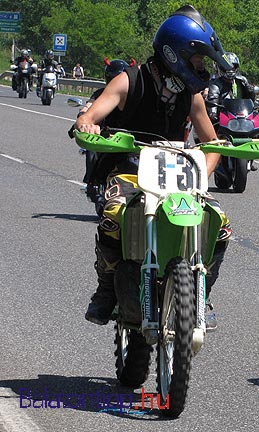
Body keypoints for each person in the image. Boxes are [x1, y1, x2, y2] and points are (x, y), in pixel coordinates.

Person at [74, 5, 233, 330]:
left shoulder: (192, 96)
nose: (201, 68)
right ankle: (106, 289)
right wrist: (88, 124)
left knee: (221, 225)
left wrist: (204, 169)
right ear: (175, 54)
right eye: (198, 60)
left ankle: (201, 292)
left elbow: (212, 141)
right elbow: (90, 116)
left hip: (177, 177)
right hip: (129, 172)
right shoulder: (128, 80)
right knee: (112, 216)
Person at [75, 57, 137, 209]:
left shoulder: (135, 97)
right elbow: (89, 107)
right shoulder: (102, 94)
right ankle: (93, 182)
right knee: (91, 147)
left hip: (129, 138)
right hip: (105, 135)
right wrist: (84, 117)